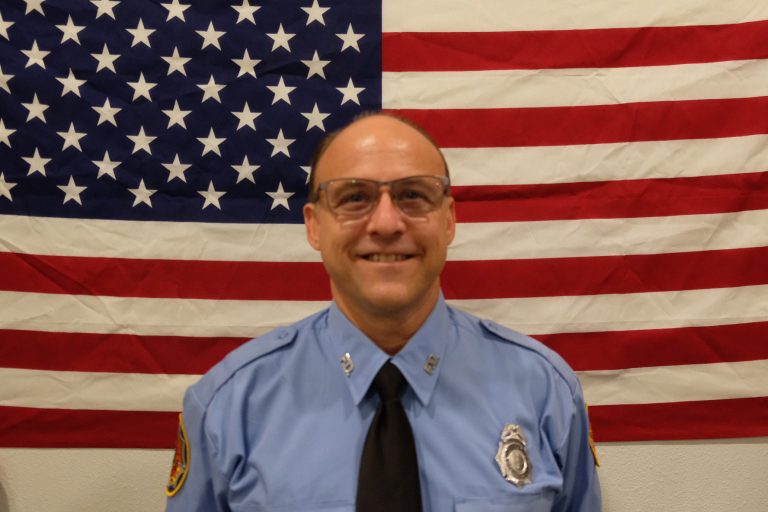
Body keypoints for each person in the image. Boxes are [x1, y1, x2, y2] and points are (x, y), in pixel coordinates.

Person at [164, 113, 601, 511]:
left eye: (414, 195)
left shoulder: (545, 392)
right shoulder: (228, 405)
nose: (387, 224)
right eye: (354, 197)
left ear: (449, 220)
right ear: (314, 225)